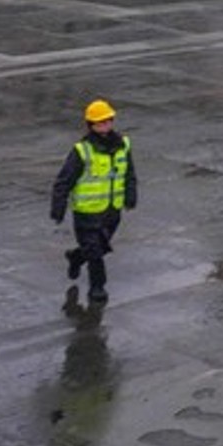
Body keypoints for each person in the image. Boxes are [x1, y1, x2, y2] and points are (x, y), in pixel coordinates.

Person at [49, 98, 137, 306]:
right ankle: (97, 287)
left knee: (100, 246)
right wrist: (58, 207)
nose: (105, 125)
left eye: (108, 121)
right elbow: (64, 180)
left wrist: (130, 195)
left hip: (111, 210)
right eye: (100, 122)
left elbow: (129, 173)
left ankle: (77, 257)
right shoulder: (82, 151)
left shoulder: (123, 144)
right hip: (87, 213)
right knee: (95, 251)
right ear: (91, 125)